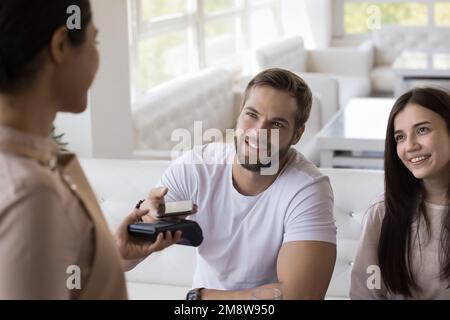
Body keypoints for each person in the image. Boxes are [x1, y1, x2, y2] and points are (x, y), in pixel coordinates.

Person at [0, 0, 180, 299]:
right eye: (94, 40)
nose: (98, 56)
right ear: (60, 45)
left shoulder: (33, 164)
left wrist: (107, 255)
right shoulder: (30, 190)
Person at [140, 68, 337, 300]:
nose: (258, 132)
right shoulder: (197, 167)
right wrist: (148, 218)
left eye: (276, 124)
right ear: (239, 113)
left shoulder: (307, 189)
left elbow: (300, 298)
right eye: (251, 115)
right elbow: (125, 256)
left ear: (297, 134)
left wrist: (203, 298)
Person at [350, 87, 450, 299]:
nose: (410, 146)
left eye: (422, 130)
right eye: (400, 137)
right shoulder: (382, 212)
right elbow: (365, 294)